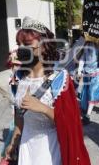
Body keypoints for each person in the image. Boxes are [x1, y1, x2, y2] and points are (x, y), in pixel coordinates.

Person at [5, 17, 90, 165]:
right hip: (26, 147)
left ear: (44, 46)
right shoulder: (19, 78)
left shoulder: (60, 79)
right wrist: (13, 142)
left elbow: (70, 122)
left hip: (49, 149)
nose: (21, 48)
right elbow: (19, 117)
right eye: (19, 44)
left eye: (27, 44)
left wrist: (43, 108)